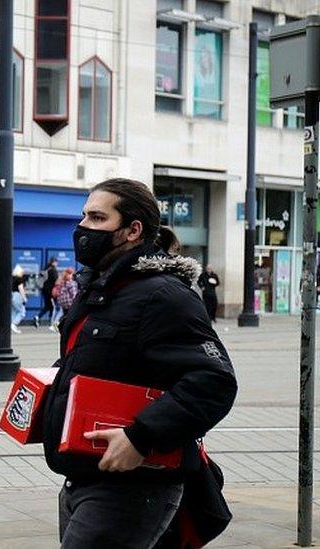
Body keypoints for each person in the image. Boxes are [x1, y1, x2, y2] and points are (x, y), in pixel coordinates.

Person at [42, 178, 237, 548]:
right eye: (84, 215)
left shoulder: (163, 295)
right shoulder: (102, 289)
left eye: (98, 218)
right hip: (83, 476)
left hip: (131, 488)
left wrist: (140, 437)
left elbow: (214, 381)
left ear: (133, 231)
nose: (84, 227)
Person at [32, 258, 59, 329]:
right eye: (56, 262)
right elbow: (56, 280)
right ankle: (51, 324)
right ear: (53, 262)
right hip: (50, 292)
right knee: (53, 307)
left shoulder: (46, 268)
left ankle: (37, 317)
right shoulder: (53, 270)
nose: (57, 263)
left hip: (44, 291)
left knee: (47, 306)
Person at [10, 265, 27, 334]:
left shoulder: (13, 278)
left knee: (14, 311)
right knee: (22, 312)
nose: (23, 273)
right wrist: (24, 298)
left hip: (12, 295)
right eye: (22, 271)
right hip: (18, 296)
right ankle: (14, 324)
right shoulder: (20, 279)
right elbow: (21, 289)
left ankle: (11, 326)